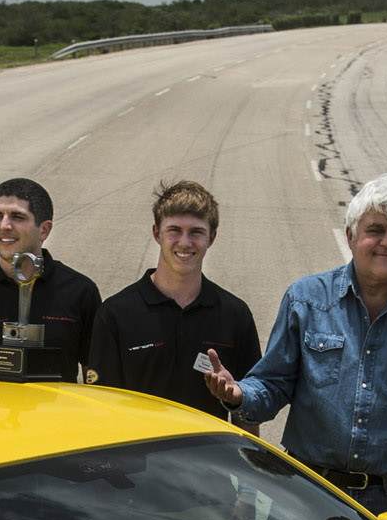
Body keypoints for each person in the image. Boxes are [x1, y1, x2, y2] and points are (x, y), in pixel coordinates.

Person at [203, 171, 387, 515]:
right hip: (307, 493)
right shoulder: (306, 299)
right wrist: (239, 395)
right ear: (351, 235)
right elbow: (274, 382)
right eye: (375, 230)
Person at [87, 179, 263, 420]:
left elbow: (249, 411)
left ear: (211, 238)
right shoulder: (115, 314)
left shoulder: (235, 315)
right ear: (157, 233)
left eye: (196, 232)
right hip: (140, 456)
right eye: (174, 230)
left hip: (208, 455)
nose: (184, 242)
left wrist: (247, 454)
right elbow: (102, 407)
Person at [0, 177, 101, 382]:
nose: (4, 225)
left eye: (17, 217)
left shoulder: (80, 292)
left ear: (44, 230)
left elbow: (94, 378)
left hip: (55, 414)